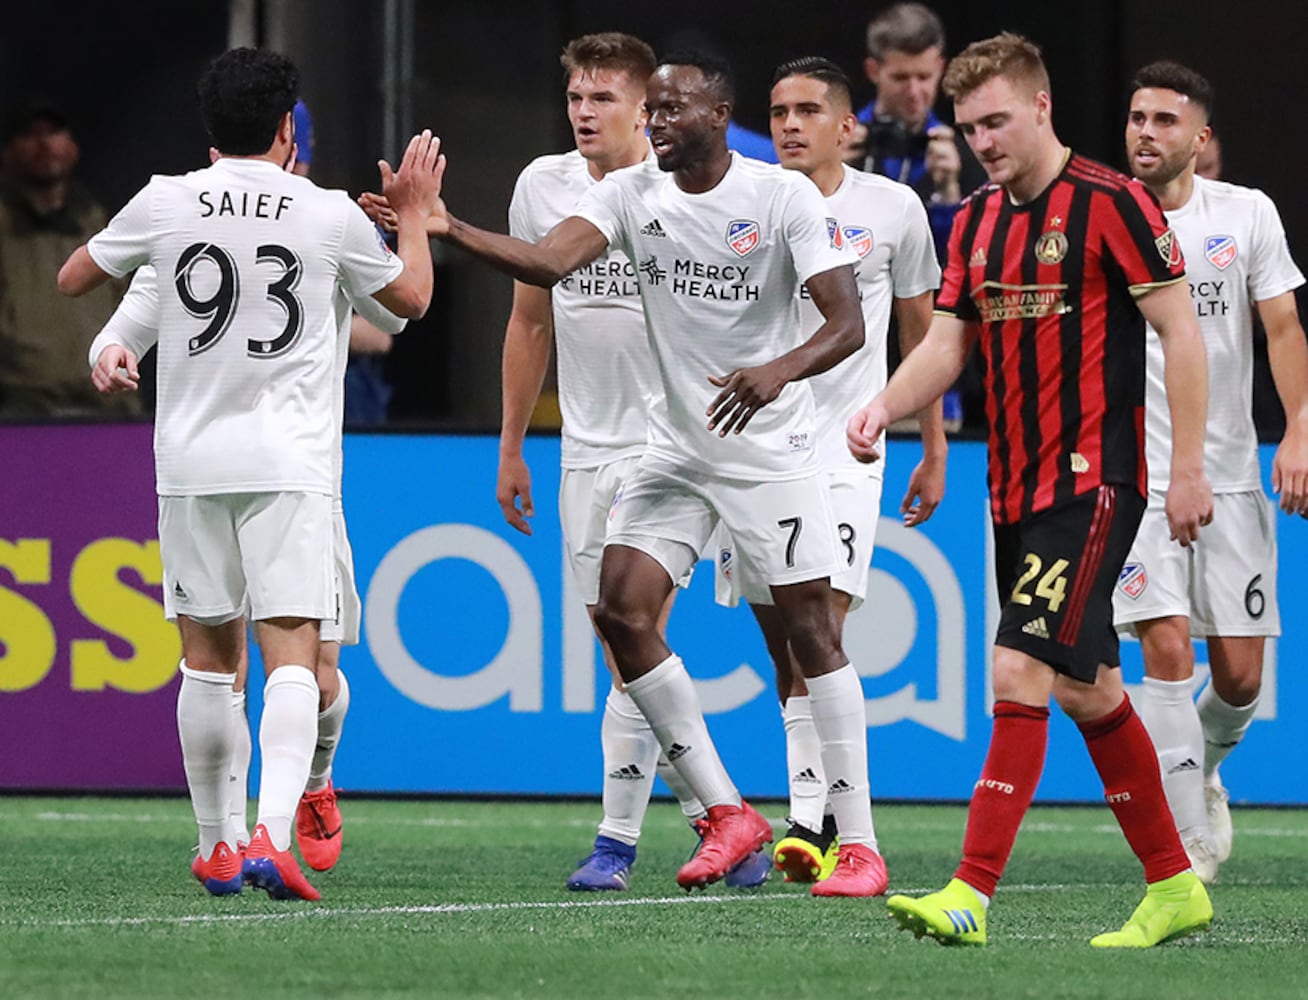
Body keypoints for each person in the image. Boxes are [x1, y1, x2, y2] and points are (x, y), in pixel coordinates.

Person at [398, 51, 870, 891]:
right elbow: (547, 265)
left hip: (769, 453)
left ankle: (858, 843)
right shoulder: (627, 194)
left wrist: (778, 370)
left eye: (672, 109)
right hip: (675, 450)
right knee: (621, 610)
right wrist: (449, 227)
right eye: (651, 110)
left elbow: (847, 324)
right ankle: (724, 811)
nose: (656, 123)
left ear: (718, 115)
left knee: (810, 636)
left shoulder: (780, 197)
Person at [848, 33, 1215, 947]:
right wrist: (882, 407)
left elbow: (1182, 331)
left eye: (998, 121)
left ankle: (969, 893)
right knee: (1089, 689)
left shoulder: (1113, 202)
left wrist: (1189, 469)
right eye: (970, 127)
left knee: (1018, 669)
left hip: (1094, 482)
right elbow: (948, 343)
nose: (983, 141)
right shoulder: (974, 220)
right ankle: (1175, 885)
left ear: (1042, 106)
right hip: (1012, 490)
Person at [57, 47, 440, 901]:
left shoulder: (166, 203)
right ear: (286, 132)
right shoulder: (327, 215)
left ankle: (228, 839)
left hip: (192, 463)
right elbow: (408, 307)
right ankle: (268, 832)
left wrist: (105, 347)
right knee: (296, 657)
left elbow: (81, 279)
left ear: (208, 131)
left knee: (211, 663)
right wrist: (414, 218)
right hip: (290, 465)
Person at [481, 32, 771, 893]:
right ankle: (722, 819)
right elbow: (530, 320)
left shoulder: (686, 188)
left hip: (670, 451)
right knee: (622, 647)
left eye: (602, 98)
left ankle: (624, 841)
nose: (583, 112)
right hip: (585, 448)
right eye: (575, 96)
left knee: (632, 630)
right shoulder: (543, 186)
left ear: (646, 110)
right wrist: (511, 444)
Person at [712, 56, 944, 893]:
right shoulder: (739, 204)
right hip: (755, 452)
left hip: (849, 449)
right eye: (778, 111)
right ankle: (819, 814)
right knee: (784, 640)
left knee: (823, 624)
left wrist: (932, 447)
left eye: (808, 110)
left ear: (849, 126)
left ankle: (815, 819)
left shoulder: (893, 208)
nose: (789, 125)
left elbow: (921, 334)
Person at [1114, 61, 1308, 883]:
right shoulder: (1102, 215)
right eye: (1137, 117)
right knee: (1164, 648)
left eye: (1165, 120)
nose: (1146, 132)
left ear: (1200, 137)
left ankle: (1206, 769)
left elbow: (1283, 328)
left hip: (1229, 473)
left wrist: (1299, 429)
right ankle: (1184, 848)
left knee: (1240, 681)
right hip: (1134, 478)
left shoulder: (1245, 213)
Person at [0, 103, 135, 418]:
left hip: (108, 403)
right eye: (30, 134)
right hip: (20, 408)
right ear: (7, 152)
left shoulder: (99, 220)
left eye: (54, 132)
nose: (44, 143)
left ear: (73, 148)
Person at [856, 3, 986, 258]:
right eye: (900, 78)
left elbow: (971, 259)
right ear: (873, 71)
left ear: (940, 68)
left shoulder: (967, 157)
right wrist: (827, 176)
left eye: (924, 77)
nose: (914, 92)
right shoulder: (838, 143)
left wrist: (949, 194)